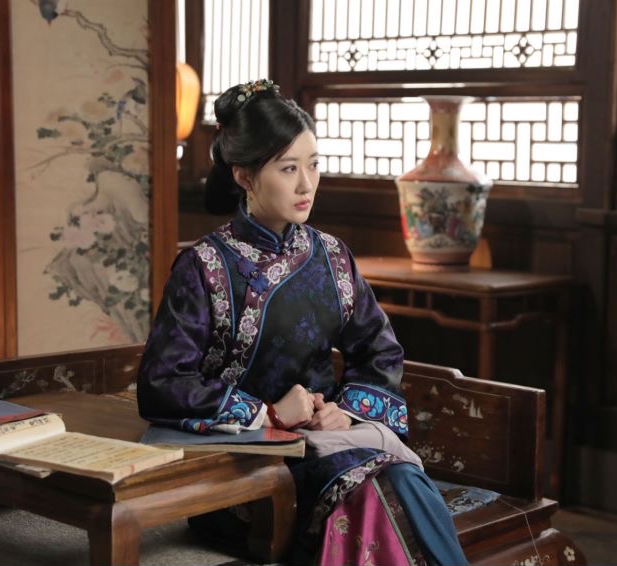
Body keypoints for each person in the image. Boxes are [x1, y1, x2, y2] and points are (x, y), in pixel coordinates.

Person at [137, 79, 469, 566]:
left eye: (313, 165)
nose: (306, 184)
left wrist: (346, 413)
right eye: (288, 168)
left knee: (397, 478)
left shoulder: (332, 257)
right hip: (240, 466)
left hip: (329, 443)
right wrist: (268, 413)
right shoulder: (204, 266)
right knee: (377, 488)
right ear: (245, 176)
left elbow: (379, 352)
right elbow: (162, 383)